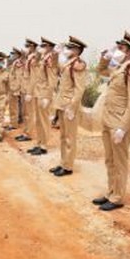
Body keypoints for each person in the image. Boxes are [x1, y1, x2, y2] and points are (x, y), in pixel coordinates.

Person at [91, 32, 130, 208]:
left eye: (120, 48)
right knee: (110, 160)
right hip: (108, 121)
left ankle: (118, 197)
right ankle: (111, 191)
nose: (117, 50)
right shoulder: (118, 68)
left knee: (119, 161)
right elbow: (100, 70)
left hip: (120, 123)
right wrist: (105, 57)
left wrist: (123, 127)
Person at [49, 36, 88, 178]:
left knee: (70, 138)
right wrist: (55, 53)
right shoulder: (68, 63)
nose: (67, 50)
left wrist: (72, 107)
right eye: (67, 47)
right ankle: (62, 162)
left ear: (78, 50)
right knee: (63, 137)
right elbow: (54, 66)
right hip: (62, 104)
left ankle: (68, 166)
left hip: (69, 106)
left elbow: (79, 89)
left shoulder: (78, 65)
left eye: (71, 48)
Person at [28, 37, 59, 156]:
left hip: (44, 94)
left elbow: (52, 79)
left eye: (45, 46)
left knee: (44, 121)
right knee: (39, 121)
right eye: (42, 46)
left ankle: (44, 145)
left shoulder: (50, 59)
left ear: (50, 47)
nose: (42, 48)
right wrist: (37, 53)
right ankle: (39, 143)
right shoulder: (43, 58)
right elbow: (35, 67)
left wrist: (48, 96)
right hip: (38, 92)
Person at [15, 38, 39, 142]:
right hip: (25, 89)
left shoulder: (34, 59)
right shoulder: (29, 58)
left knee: (30, 114)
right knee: (26, 113)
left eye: (28, 46)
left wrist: (29, 92)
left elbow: (34, 77)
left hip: (30, 90)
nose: (26, 48)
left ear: (33, 47)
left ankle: (28, 134)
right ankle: (25, 132)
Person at [7, 48, 24, 130]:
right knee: (15, 107)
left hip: (15, 88)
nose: (12, 55)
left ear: (18, 55)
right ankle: (16, 121)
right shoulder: (13, 63)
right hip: (12, 88)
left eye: (13, 53)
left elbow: (19, 77)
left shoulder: (19, 64)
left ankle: (13, 124)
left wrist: (15, 89)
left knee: (14, 107)